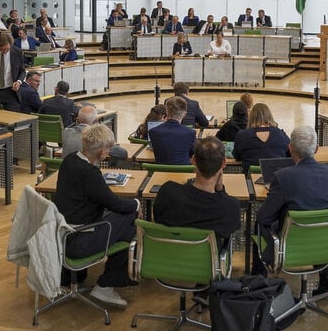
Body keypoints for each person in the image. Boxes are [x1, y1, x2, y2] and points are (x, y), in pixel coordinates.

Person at [54, 124, 140, 306]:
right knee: (129, 217)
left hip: (62, 236)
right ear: (102, 153)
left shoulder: (69, 160)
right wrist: (136, 203)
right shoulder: (90, 173)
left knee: (126, 230)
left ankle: (110, 281)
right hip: (79, 241)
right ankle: (105, 285)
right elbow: (114, 204)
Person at [254, 125, 328, 293]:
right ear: (317, 149)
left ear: (290, 149)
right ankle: (325, 277)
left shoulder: (283, 177)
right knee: (317, 219)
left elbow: (263, 218)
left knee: (259, 223)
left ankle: (258, 281)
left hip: (294, 244)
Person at [154, 136, 242, 251]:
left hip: (166, 260)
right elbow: (229, 229)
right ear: (224, 163)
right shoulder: (230, 206)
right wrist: (221, 190)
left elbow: (157, 218)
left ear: (193, 160)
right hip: (207, 266)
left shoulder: (168, 192)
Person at [232, 103, 290, 169]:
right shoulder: (280, 134)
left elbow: (236, 156)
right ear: (270, 116)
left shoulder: (242, 135)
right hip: (277, 177)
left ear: (251, 117)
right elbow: (290, 152)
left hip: (250, 177)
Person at [148, 96, 195, 165]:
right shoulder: (190, 132)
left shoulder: (153, 131)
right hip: (183, 173)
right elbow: (194, 152)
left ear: (167, 112)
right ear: (184, 114)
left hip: (160, 173)